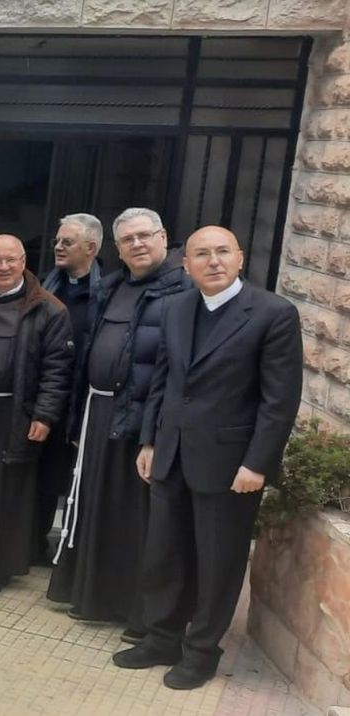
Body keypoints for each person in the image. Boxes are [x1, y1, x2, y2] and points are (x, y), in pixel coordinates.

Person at [113, 226, 302, 690]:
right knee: (165, 552)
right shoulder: (176, 308)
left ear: (240, 258)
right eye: (202, 253)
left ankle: (202, 651)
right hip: (172, 453)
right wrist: (151, 441)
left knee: (217, 561)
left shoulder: (273, 314)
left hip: (231, 463)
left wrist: (257, 463)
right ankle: (161, 638)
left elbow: (279, 401)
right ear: (186, 264)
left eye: (222, 252)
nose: (213, 261)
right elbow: (165, 378)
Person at [48, 208, 190, 639]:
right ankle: (94, 596)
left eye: (145, 236)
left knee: (138, 518)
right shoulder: (110, 287)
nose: (138, 245)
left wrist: (155, 428)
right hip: (99, 412)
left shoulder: (183, 290)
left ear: (164, 236)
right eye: (128, 240)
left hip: (145, 418)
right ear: (117, 248)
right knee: (96, 507)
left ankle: (140, 613)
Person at [0, 235, 72, 594]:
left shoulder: (49, 309)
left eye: (11, 260)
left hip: (16, 413)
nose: (4, 267)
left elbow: (57, 370)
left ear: (24, 261)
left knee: (5, 494)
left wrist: (44, 415)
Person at [34, 213, 103, 561]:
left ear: (90, 248)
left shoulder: (106, 293)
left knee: (74, 474)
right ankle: (31, 543)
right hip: (46, 395)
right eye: (57, 241)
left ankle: (71, 549)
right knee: (38, 474)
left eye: (67, 242)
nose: (58, 247)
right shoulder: (44, 288)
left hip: (83, 400)